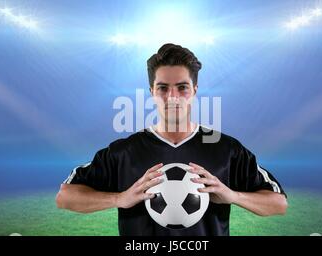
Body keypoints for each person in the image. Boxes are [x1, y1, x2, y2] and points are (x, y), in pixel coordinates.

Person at [56, 43, 288, 235]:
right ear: (151, 92)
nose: (173, 97)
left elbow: (279, 204)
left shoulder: (225, 148)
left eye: (182, 87)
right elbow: (65, 197)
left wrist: (232, 195)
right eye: (163, 88)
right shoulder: (125, 151)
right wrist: (120, 198)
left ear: (195, 90)